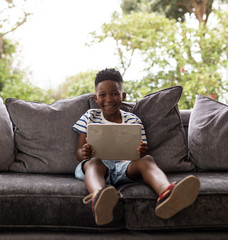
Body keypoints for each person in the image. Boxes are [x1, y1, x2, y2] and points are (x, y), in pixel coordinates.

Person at [72, 68, 200, 226]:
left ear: (123, 96)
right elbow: (78, 152)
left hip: (124, 167)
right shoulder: (90, 116)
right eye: (103, 95)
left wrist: (141, 152)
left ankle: (167, 194)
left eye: (114, 93)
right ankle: (99, 198)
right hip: (97, 167)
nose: (109, 99)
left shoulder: (133, 120)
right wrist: (84, 153)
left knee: (147, 159)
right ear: (96, 98)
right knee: (94, 162)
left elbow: (139, 151)